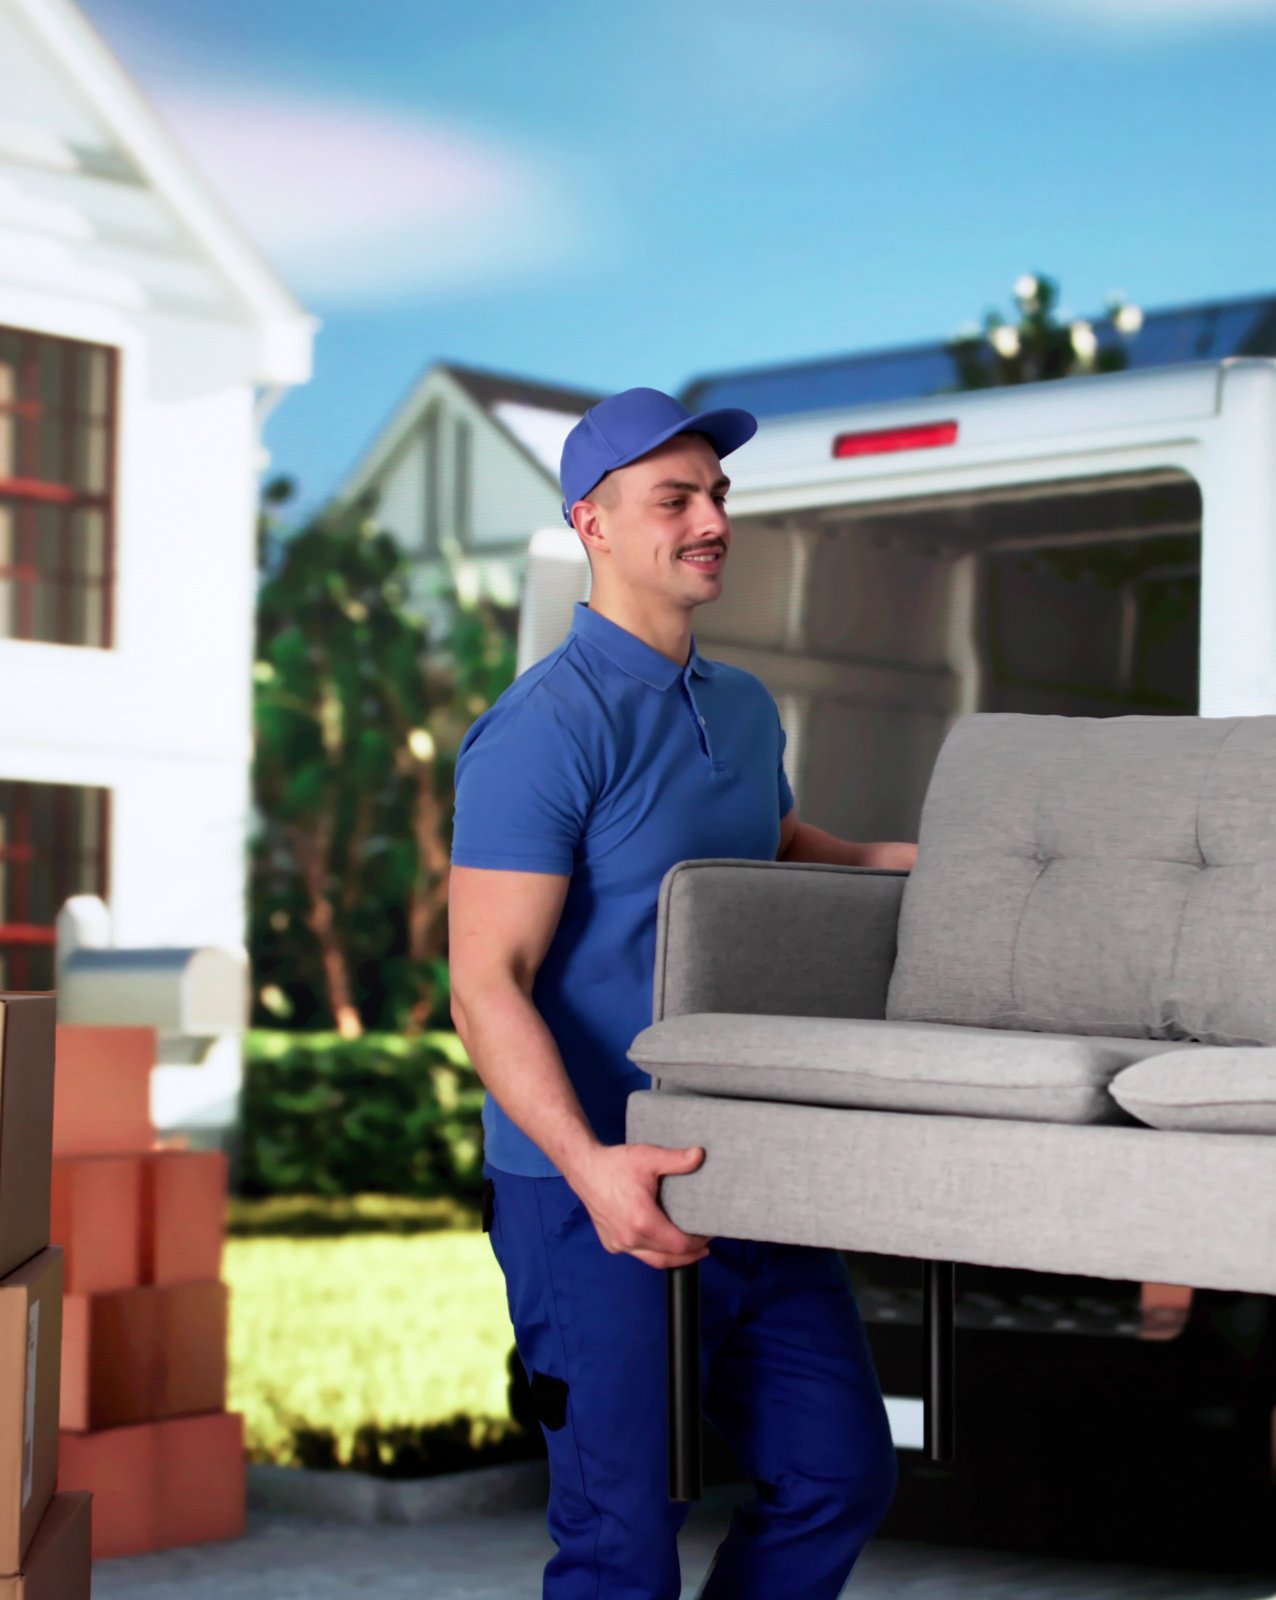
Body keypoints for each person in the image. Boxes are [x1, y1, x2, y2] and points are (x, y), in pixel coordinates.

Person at [448, 387, 913, 1599]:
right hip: (588, 1191)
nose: (712, 519)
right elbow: (484, 983)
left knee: (839, 1475)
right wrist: (593, 1164)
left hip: (748, 1165)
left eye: (719, 496)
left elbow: (767, 838)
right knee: (622, 1542)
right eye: (677, 499)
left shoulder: (743, 706)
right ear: (591, 525)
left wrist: (899, 863)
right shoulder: (542, 731)